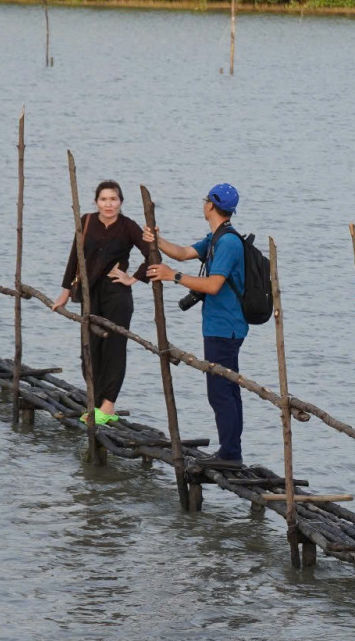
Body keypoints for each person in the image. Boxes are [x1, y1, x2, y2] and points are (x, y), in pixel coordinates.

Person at [145, 184, 246, 463]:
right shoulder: (216, 237)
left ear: (210, 205)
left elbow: (213, 285)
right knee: (227, 388)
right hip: (220, 325)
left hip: (225, 327)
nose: (203, 204)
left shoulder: (228, 242)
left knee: (220, 392)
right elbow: (181, 252)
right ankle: (231, 449)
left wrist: (172, 276)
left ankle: (230, 453)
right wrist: (157, 239)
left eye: (205, 200)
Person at [51, 180, 155, 426]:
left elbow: (152, 253)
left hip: (117, 296)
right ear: (96, 201)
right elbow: (74, 258)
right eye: (104, 199)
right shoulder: (86, 221)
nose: (109, 204)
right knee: (89, 349)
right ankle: (97, 403)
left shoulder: (128, 226)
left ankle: (108, 406)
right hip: (89, 294)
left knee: (114, 350)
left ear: (121, 202)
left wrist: (133, 278)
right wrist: (65, 293)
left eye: (114, 199)